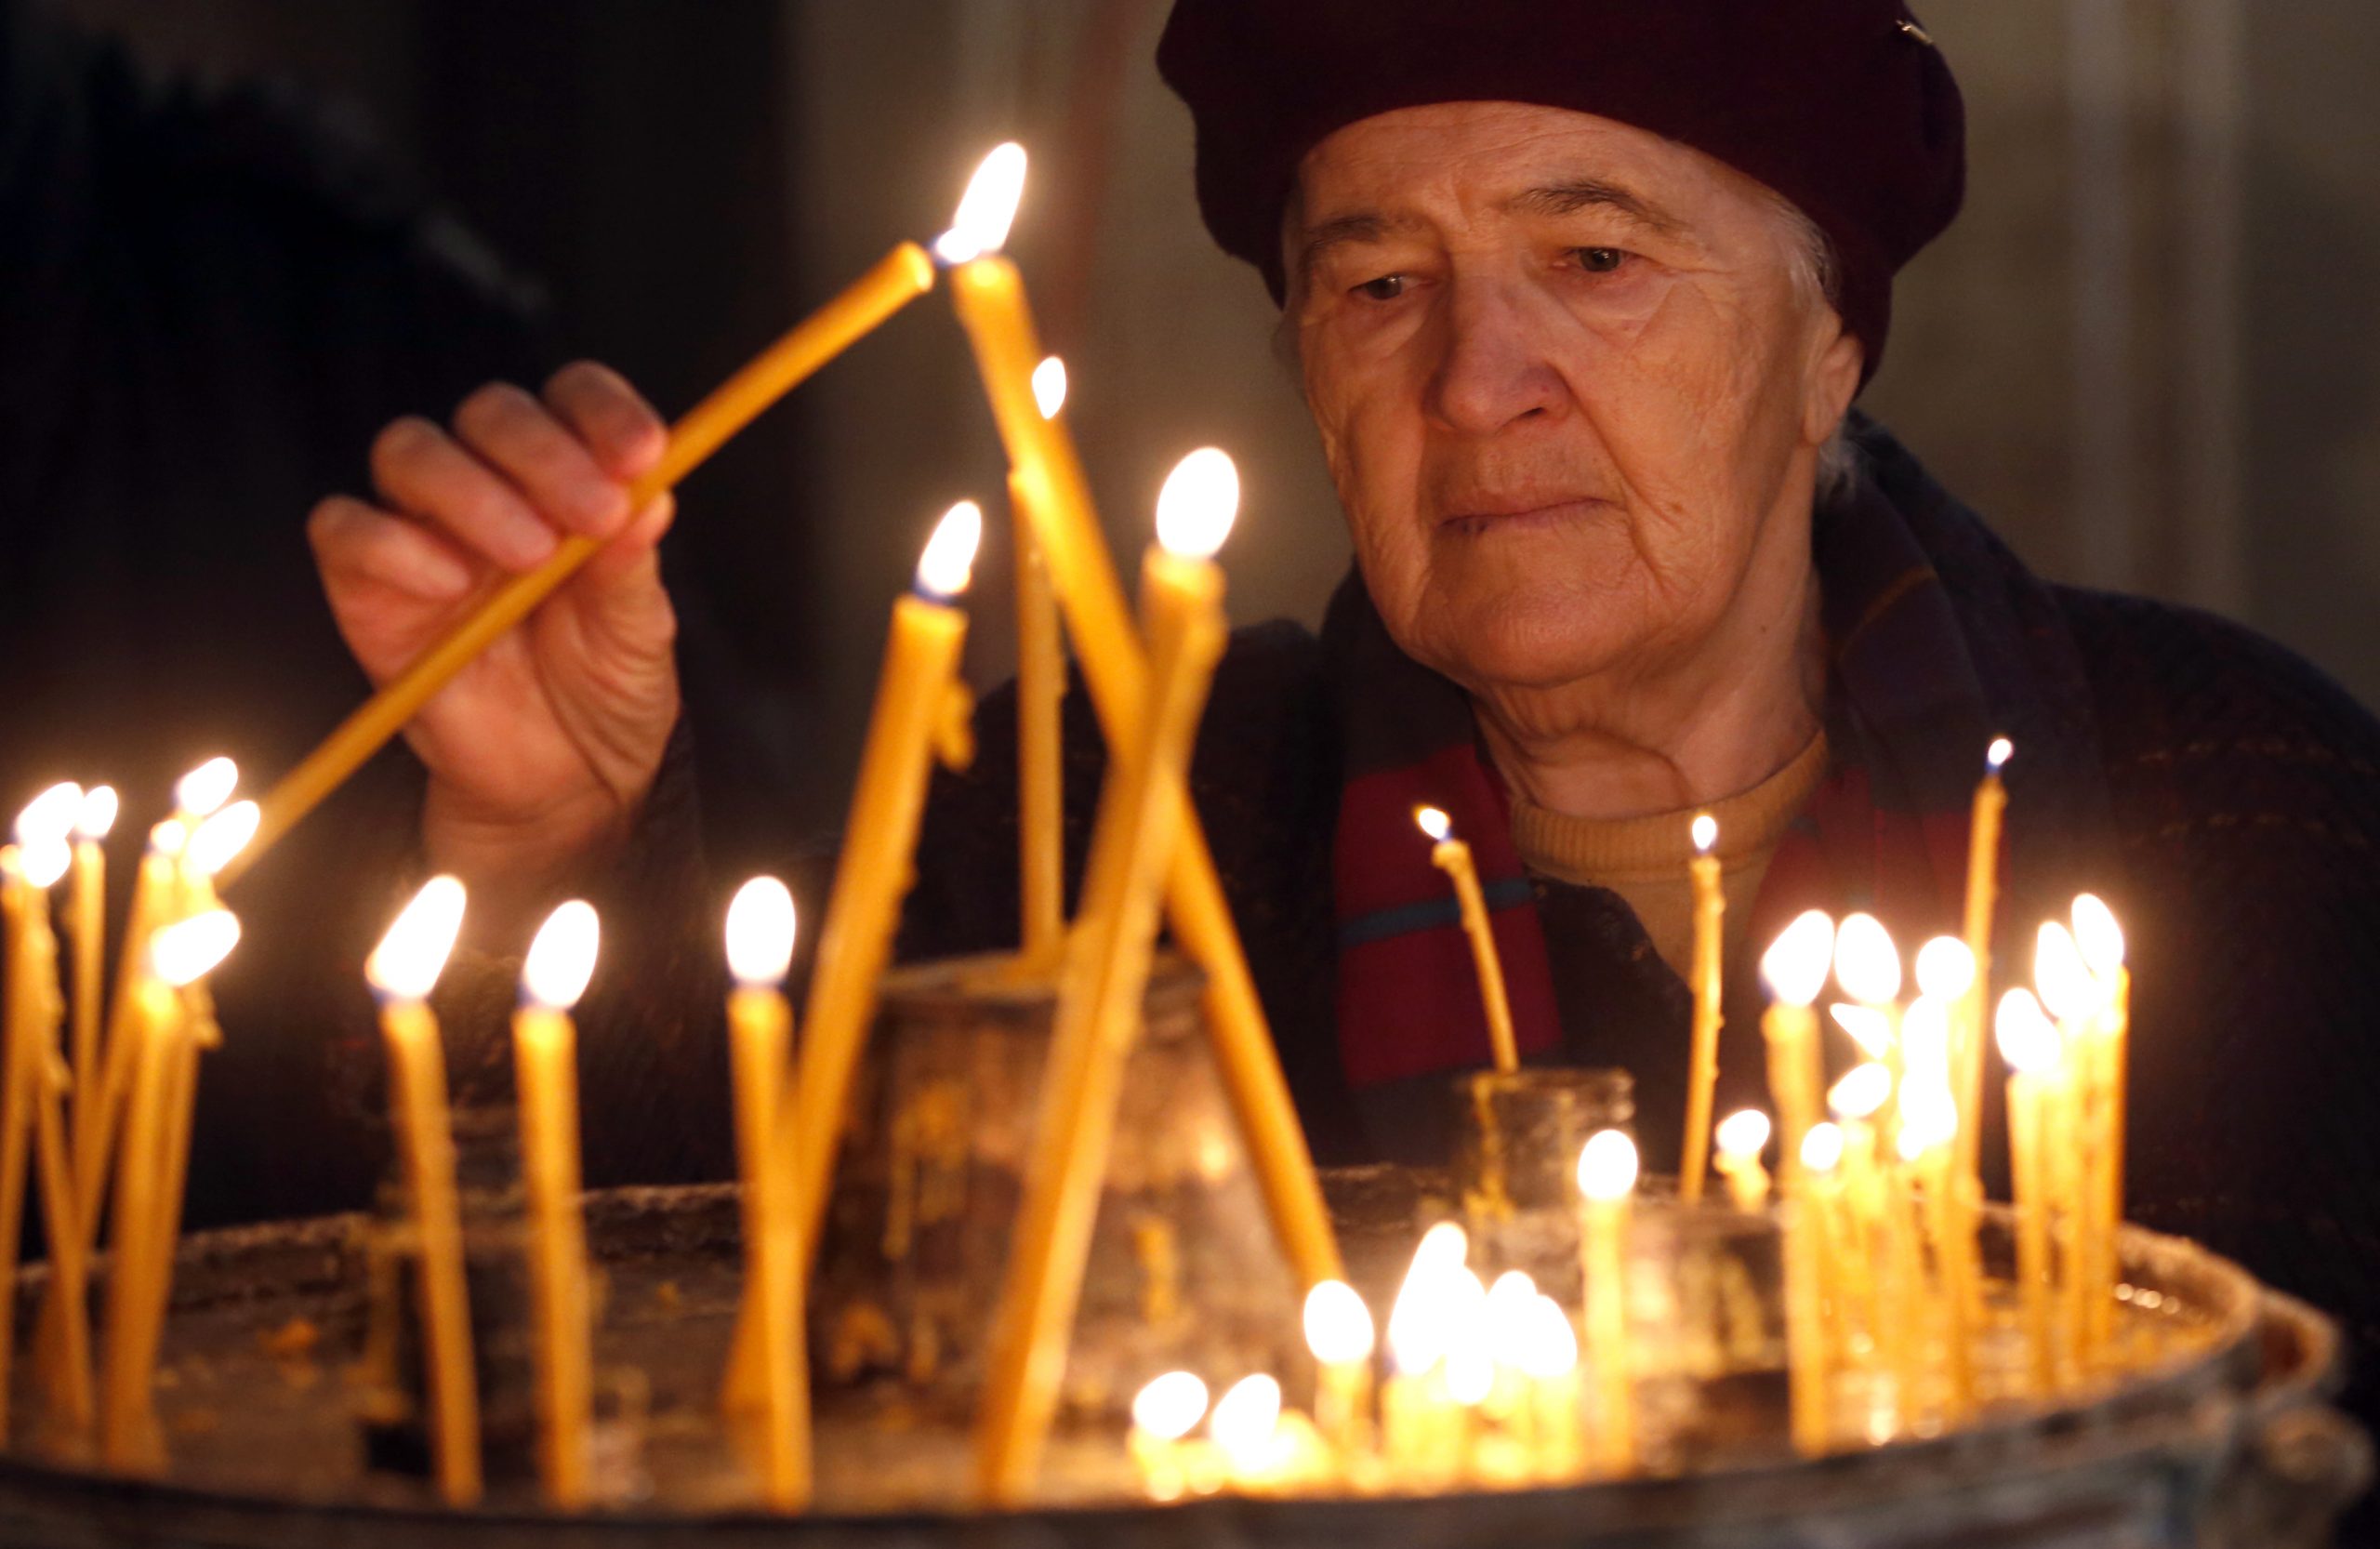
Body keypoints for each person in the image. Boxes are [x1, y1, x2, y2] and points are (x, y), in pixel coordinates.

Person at [311, 0, 2380, 1446]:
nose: (1477, 379)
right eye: (1377, 284)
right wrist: (550, 836)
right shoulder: (1097, 836)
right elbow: (680, 1378)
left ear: (1827, 337)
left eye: (1594, 254)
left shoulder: (2239, 809)